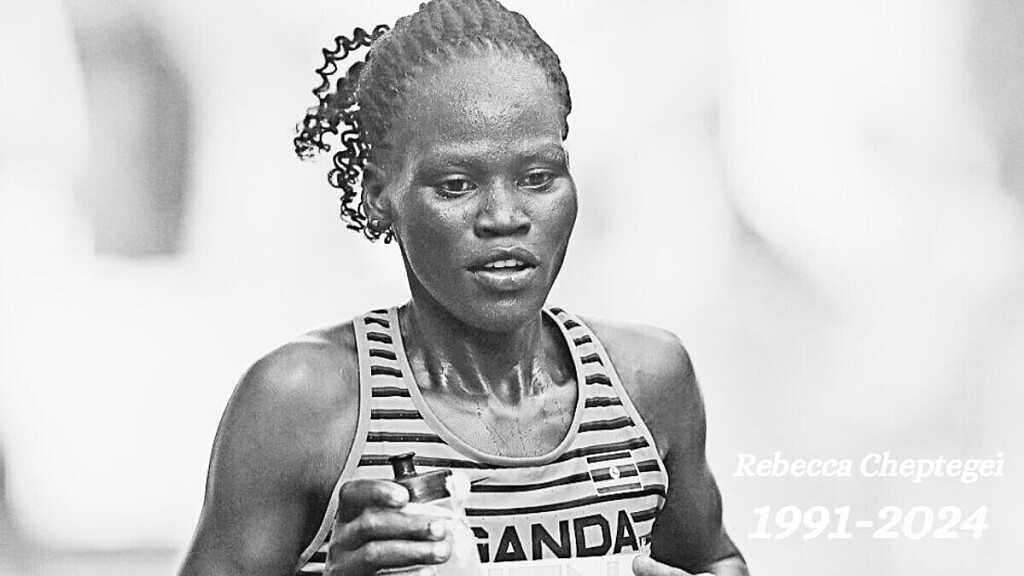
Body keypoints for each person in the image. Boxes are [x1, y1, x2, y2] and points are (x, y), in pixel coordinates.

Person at [178, 1, 748, 574]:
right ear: (379, 197)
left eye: (538, 178)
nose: (504, 217)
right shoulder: (305, 404)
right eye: (456, 185)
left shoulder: (646, 383)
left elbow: (717, 560)